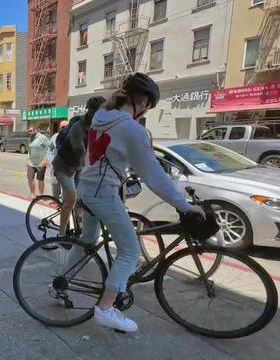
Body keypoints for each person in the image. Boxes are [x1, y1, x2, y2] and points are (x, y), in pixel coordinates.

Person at [65, 73, 205, 332]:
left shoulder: (101, 117)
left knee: (87, 240)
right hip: (102, 193)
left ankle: (63, 281)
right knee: (129, 252)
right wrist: (184, 205)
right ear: (142, 102)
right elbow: (153, 174)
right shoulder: (130, 127)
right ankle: (105, 309)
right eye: (148, 108)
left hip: (88, 187)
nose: (145, 113)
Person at [52, 96, 106, 237]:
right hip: (63, 165)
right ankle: (61, 234)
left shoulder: (97, 125)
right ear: (91, 112)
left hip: (77, 167)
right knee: (71, 198)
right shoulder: (78, 128)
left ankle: (79, 227)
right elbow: (82, 157)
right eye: (98, 112)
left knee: (83, 197)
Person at [26, 126, 51, 199]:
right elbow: (29, 150)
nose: (29, 133)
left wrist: (45, 159)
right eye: (28, 131)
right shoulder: (30, 139)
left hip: (41, 163)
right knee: (30, 178)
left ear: (36, 130)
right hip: (31, 163)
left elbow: (49, 148)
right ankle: (33, 194)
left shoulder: (42, 138)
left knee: (40, 179)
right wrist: (28, 159)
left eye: (30, 131)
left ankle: (41, 195)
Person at [48, 121, 68, 201]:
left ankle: (64, 202)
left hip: (67, 165)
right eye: (63, 127)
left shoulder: (72, 136)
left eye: (66, 127)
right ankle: (55, 200)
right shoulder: (55, 137)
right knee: (54, 183)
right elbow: (49, 149)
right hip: (56, 164)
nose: (64, 129)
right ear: (60, 128)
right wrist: (50, 160)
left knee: (65, 185)